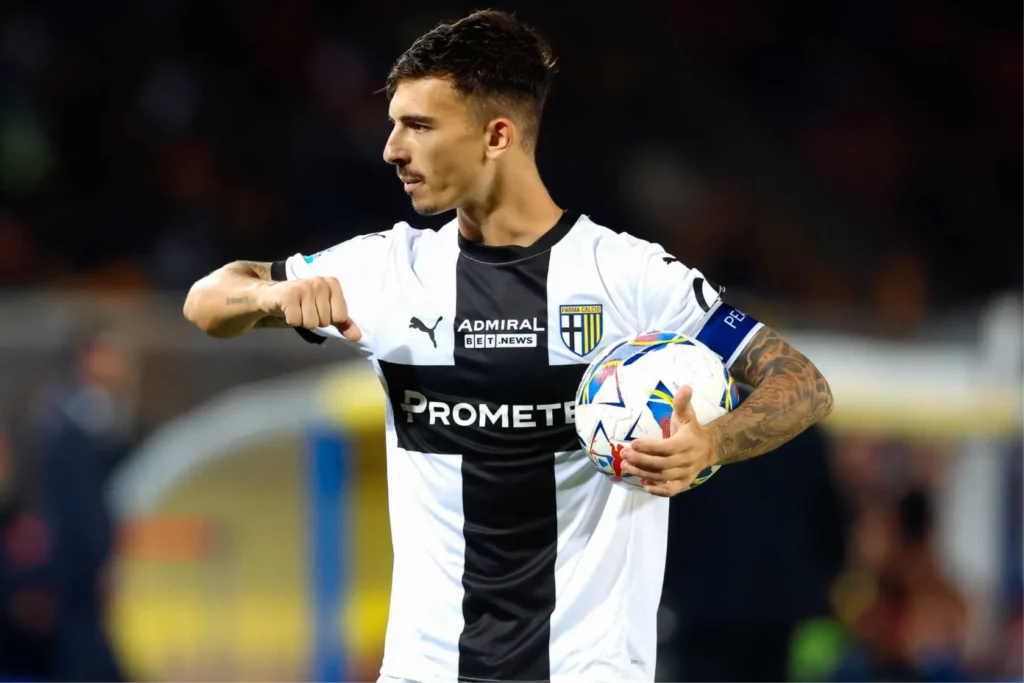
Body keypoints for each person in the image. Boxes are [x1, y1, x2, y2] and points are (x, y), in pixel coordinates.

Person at [183, 10, 834, 683]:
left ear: (498, 135)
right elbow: (206, 301)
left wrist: (712, 443)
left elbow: (803, 383)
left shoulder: (630, 277)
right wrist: (268, 298)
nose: (392, 150)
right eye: (394, 124)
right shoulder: (386, 270)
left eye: (419, 126)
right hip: (425, 670)